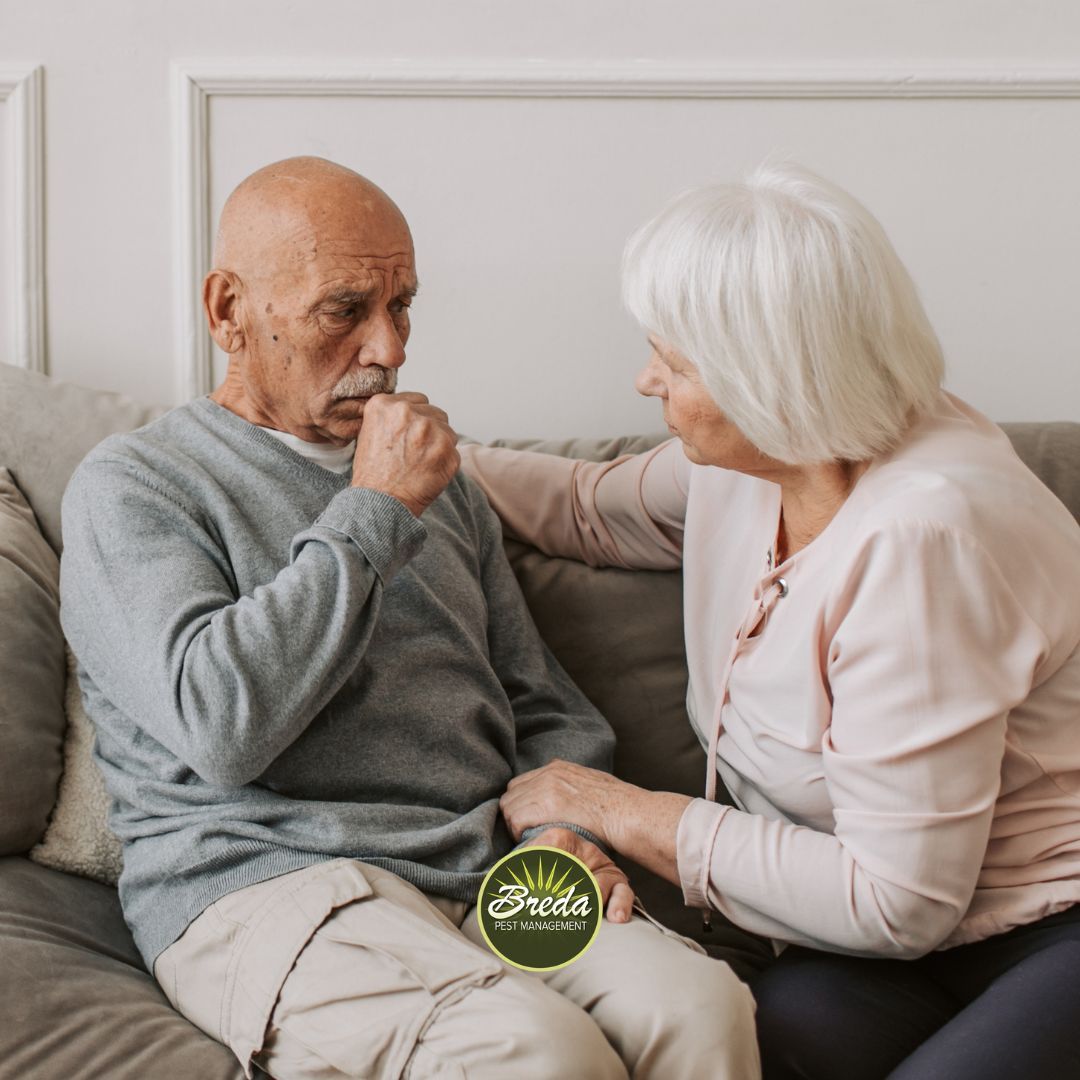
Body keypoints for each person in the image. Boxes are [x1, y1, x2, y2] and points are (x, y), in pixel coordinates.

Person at [58, 157, 759, 1079]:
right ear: (229, 311)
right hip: (273, 886)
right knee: (535, 1053)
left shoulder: (442, 483)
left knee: (701, 1009)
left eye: (403, 307)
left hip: (483, 870)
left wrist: (564, 829)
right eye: (345, 310)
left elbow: (539, 702)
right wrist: (377, 507)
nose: (389, 349)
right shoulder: (137, 484)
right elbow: (221, 727)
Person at [460, 162, 1080, 1079]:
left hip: (1046, 927)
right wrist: (407, 456)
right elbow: (590, 510)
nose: (644, 378)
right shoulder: (761, 463)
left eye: (672, 361)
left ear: (768, 378)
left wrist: (619, 810)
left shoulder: (923, 537)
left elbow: (898, 902)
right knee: (728, 1051)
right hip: (880, 946)